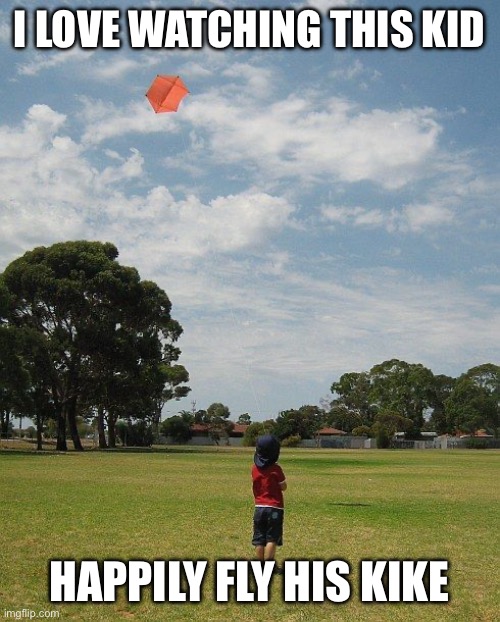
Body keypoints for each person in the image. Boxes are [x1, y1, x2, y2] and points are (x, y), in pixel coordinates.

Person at [251, 434, 287, 570]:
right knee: (272, 538)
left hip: (259, 508)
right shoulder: (276, 469)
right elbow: (284, 486)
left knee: (259, 539)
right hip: (275, 508)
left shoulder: (254, 469)